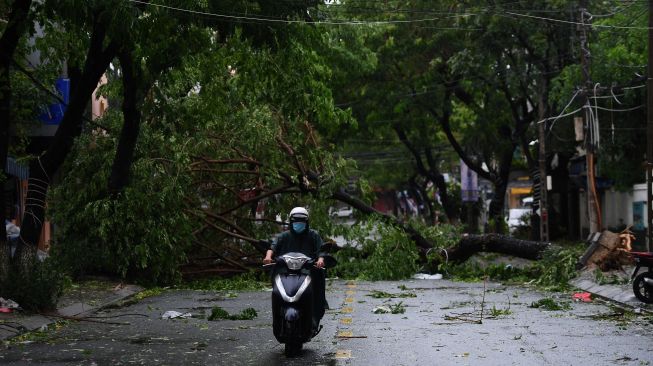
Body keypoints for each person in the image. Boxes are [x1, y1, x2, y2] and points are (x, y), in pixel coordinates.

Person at [263, 207, 327, 330]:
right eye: (296, 221)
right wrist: (268, 256)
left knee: (317, 287)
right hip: (285, 272)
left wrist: (320, 260)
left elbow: (321, 251)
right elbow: (272, 247)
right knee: (277, 292)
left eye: (301, 221)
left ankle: (313, 317)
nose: (299, 224)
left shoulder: (314, 235)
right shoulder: (284, 236)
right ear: (291, 222)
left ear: (307, 222)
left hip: (308, 272)